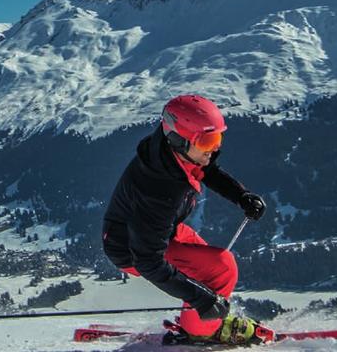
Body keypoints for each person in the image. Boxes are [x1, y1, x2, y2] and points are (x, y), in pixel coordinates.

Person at [102, 94, 269, 345]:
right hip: (131, 247)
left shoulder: (171, 152)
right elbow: (147, 261)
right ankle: (202, 330)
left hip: (159, 232)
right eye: (207, 141)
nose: (214, 149)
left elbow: (205, 169)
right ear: (178, 140)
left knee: (214, 268)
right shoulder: (159, 190)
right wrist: (204, 300)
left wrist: (241, 195)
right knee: (221, 267)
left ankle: (205, 317)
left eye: (217, 138)